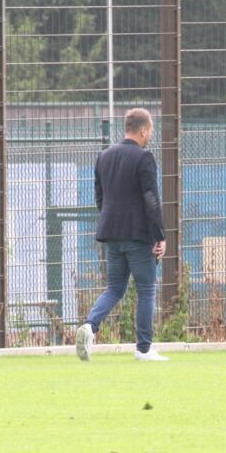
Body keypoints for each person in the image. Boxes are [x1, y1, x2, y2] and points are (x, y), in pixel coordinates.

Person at [75, 108, 168, 362]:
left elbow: (100, 197)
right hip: (138, 236)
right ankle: (144, 349)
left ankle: (90, 326)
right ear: (143, 130)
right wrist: (160, 236)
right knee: (146, 289)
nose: (151, 135)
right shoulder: (144, 158)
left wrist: (111, 221)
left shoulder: (104, 156)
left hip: (111, 235)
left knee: (115, 287)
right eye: (150, 131)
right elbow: (151, 199)